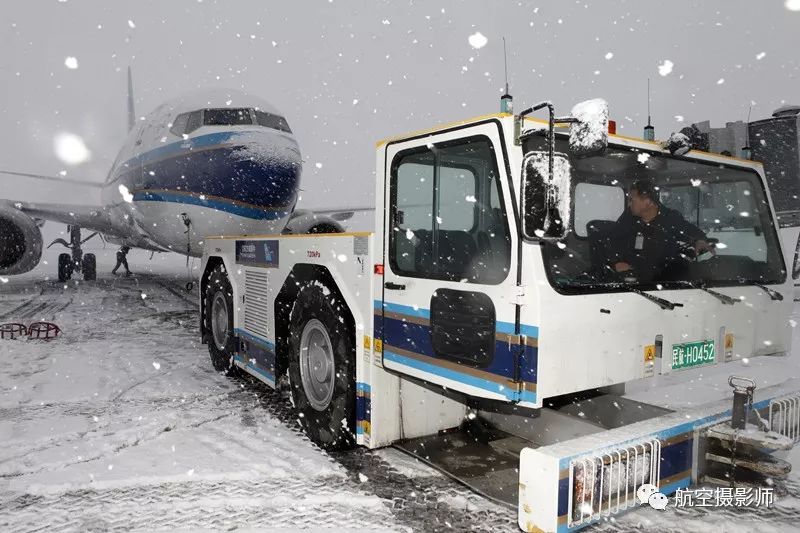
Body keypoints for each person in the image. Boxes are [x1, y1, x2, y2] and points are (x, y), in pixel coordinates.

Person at [608, 179, 714, 282]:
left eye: (632, 200)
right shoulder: (628, 217)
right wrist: (616, 263)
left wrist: (700, 240)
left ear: (648, 202)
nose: (629, 204)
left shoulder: (670, 218)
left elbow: (691, 231)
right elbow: (612, 241)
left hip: (664, 281)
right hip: (633, 280)